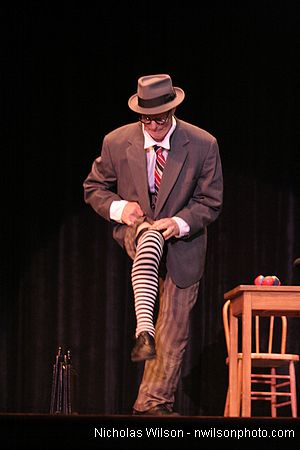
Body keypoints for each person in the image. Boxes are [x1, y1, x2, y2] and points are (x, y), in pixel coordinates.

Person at [83, 73, 223, 416]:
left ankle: (152, 403)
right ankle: (144, 326)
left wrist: (177, 223)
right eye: (146, 119)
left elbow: (211, 201)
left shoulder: (203, 144)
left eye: (160, 118)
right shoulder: (117, 142)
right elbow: (94, 188)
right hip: (137, 231)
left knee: (173, 329)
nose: (154, 125)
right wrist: (121, 208)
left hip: (183, 242)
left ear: (172, 110)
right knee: (148, 235)